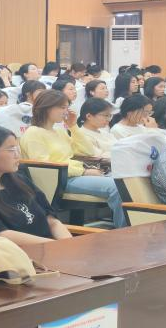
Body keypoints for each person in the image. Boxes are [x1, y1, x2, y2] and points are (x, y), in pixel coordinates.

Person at [20, 90, 126, 228]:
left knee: (125, 181)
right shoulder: (33, 133)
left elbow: (87, 151)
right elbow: (45, 166)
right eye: (62, 107)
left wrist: (73, 126)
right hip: (59, 181)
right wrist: (83, 171)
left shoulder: (59, 131)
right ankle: (123, 231)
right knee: (117, 187)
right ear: (47, 107)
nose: (66, 111)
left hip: (72, 175)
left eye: (67, 107)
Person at [0, 125, 73, 245]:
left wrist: (69, 245)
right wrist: (54, 246)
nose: (17, 155)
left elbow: (51, 220)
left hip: (51, 247)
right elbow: (1, 234)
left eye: (17, 149)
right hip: (15, 252)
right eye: (11, 150)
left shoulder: (20, 180)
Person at [72, 98, 116, 168]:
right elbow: (100, 157)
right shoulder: (81, 135)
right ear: (89, 116)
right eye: (106, 115)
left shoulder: (106, 133)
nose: (108, 119)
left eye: (110, 116)